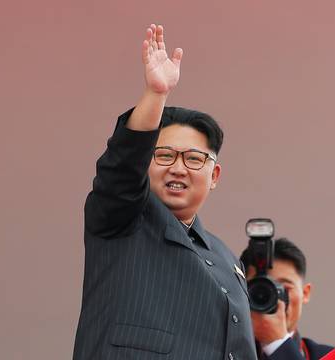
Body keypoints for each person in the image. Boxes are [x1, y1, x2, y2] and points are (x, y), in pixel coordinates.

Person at [73, 24, 257, 360]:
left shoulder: (227, 259)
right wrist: (156, 95)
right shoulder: (122, 218)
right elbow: (121, 168)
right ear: (146, 161)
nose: (178, 167)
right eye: (164, 155)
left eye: (193, 158)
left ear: (213, 175)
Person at [240, 238, 334, 360]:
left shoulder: (334, 356)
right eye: (261, 289)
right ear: (240, 291)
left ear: (305, 293)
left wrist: (276, 342)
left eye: (284, 288)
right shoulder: (219, 350)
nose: (274, 298)